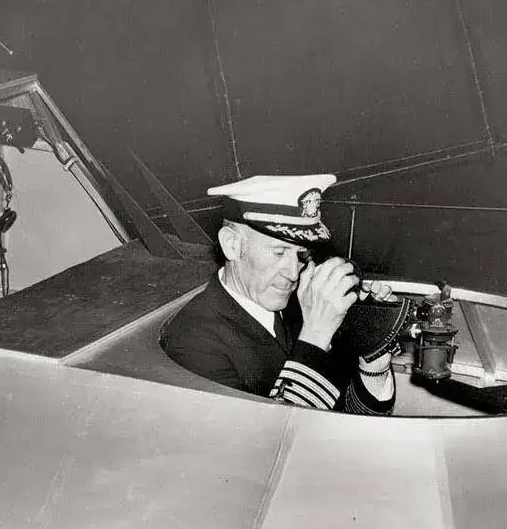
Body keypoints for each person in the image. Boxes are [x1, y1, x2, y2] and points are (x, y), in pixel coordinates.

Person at [161, 174, 396, 414]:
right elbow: (273, 435)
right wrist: (315, 335)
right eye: (279, 252)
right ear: (232, 245)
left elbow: (346, 419)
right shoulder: (192, 343)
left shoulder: (301, 306)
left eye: (301, 255)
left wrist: (373, 362)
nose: (293, 273)